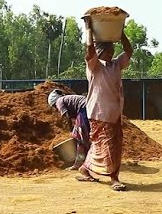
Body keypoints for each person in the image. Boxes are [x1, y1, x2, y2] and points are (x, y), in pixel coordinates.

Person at [77, 15, 133, 191]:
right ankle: (114, 178)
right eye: (107, 50)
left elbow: (129, 51)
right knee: (108, 145)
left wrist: (121, 32)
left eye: (112, 50)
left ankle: (85, 169)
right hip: (99, 113)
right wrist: (88, 29)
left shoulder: (116, 65)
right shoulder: (95, 66)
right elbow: (89, 51)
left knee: (106, 144)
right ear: (100, 51)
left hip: (114, 112)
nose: (111, 53)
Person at [48, 89, 91, 170]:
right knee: (82, 135)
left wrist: (70, 130)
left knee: (80, 138)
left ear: (54, 102)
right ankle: (87, 160)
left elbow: (67, 116)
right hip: (90, 107)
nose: (56, 108)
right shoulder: (66, 99)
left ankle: (81, 163)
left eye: (54, 106)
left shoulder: (59, 101)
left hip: (84, 109)